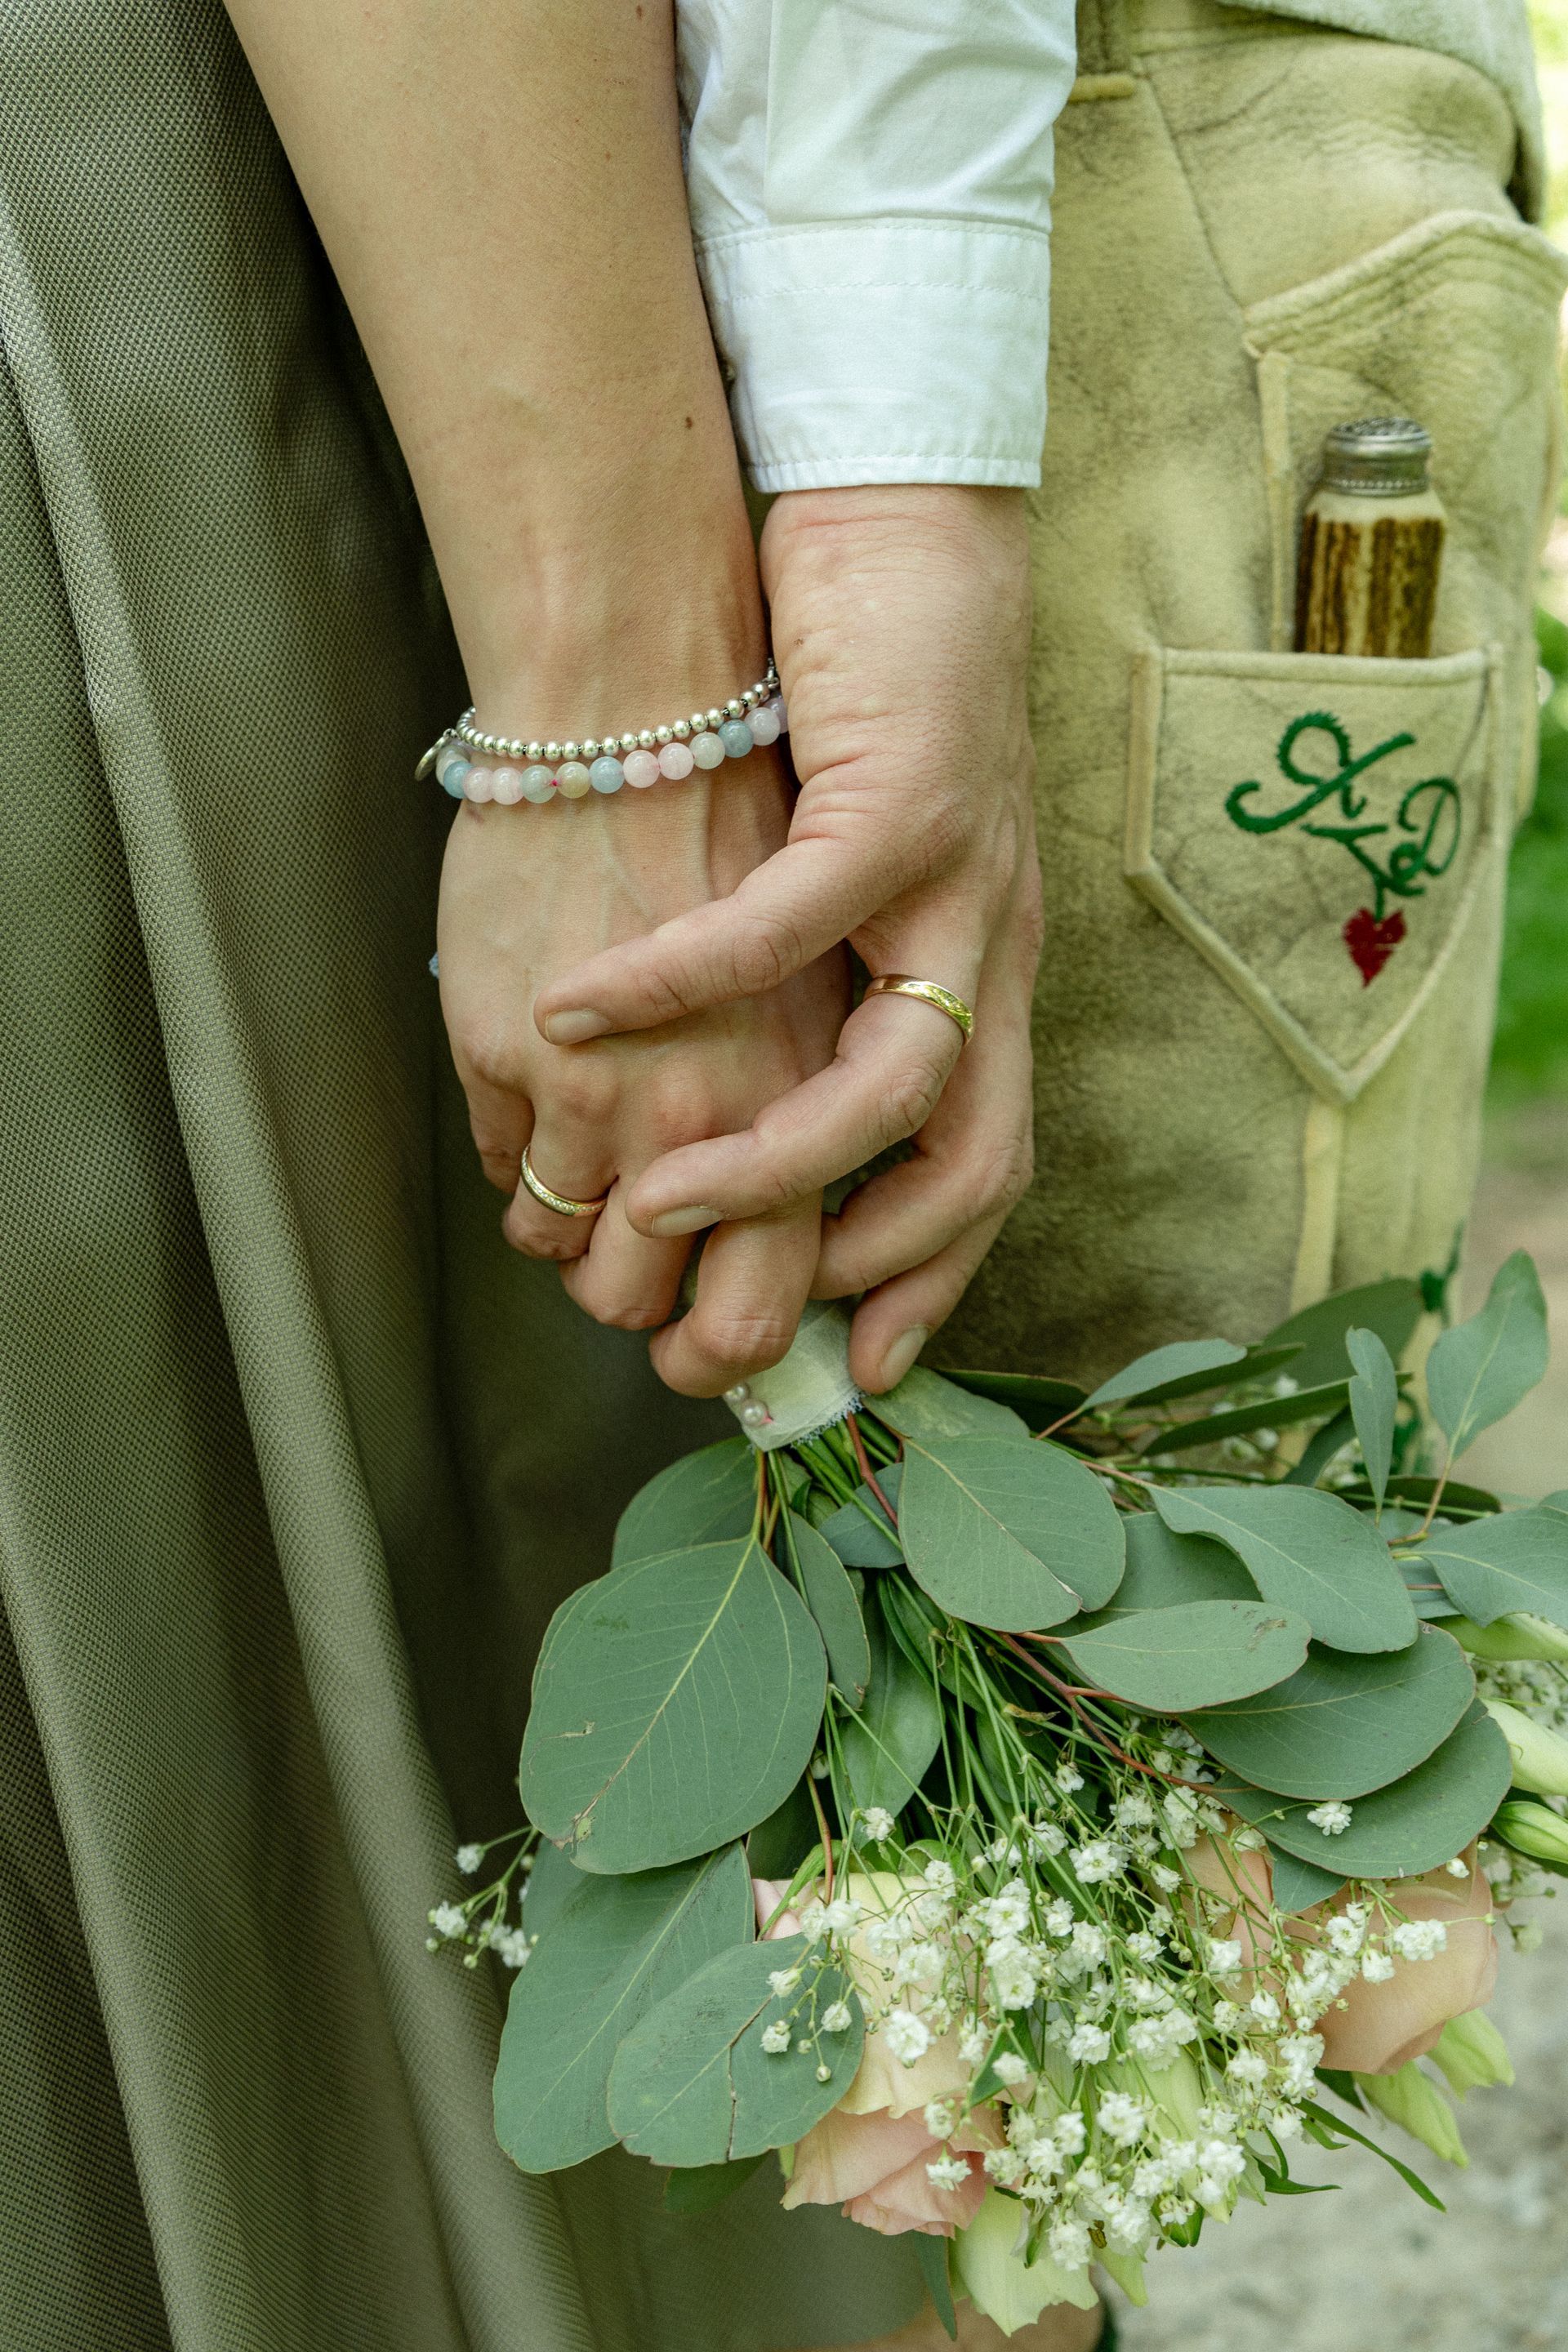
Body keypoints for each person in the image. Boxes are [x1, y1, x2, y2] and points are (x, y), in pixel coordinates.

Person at [0, 5, 1554, 2352]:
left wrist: (676, 663)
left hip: (622, 235)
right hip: (420, 284)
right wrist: (630, 704)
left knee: (996, 1880)